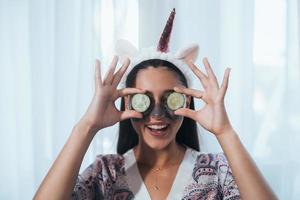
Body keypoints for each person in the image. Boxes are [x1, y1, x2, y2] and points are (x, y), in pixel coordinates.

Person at [34, 9, 277, 200]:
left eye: (171, 98)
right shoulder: (105, 173)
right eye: (144, 99)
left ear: (187, 100)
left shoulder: (218, 172)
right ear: (128, 102)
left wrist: (226, 132)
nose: (158, 114)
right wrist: (86, 126)